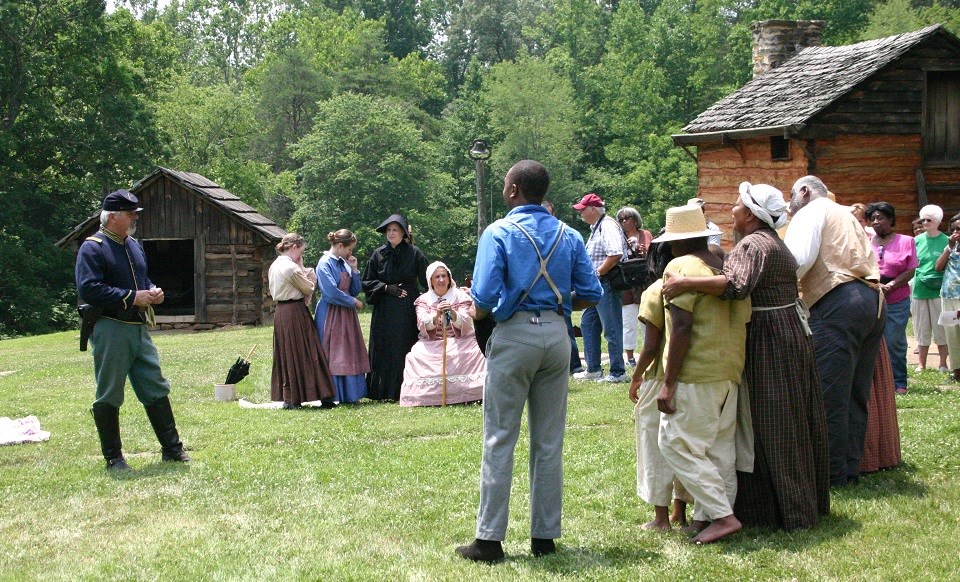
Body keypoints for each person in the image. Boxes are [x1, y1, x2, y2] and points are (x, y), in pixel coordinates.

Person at [456, 160, 602, 563]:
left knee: (501, 435)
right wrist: (557, 305)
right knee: (549, 439)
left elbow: (483, 298)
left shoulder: (498, 232)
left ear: (514, 190)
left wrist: (483, 317)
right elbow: (592, 292)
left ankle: (488, 540)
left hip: (515, 334)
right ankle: (544, 537)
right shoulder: (568, 233)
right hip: (557, 336)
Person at [662, 182, 830, 531]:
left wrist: (686, 283)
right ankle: (796, 503)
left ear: (751, 215)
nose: (732, 210)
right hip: (787, 329)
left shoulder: (754, 244)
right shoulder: (773, 242)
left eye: (738, 205)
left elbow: (735, 285)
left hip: (770, 334)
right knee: (788, 417)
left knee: (768, 420)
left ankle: (773, 509)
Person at [654, 203, 752, 544]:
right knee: (718, 449)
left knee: (675, 443)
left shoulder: (679, 266)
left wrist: (668, 383)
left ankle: (723, 517)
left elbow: (680, 327)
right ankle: (706, 517)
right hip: (729, 369)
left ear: (675, 241)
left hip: (696, 372)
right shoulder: (724, 266)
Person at [76, 189, 189, 471]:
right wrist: (130, 296)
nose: (134, 219)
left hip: (138, 327)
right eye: (130, 214)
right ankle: (114, 458)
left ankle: (172, 450)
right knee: (110, 392)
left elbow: (141, 277)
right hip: (111, 326)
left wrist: (151, 290)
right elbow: (89, 289)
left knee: (155, 386)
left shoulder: (134, 245)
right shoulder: (93, 247)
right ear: (113, 216)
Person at [785, 175, 885, 488]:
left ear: (803, 191)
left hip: (839, 302)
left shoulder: (811, 212)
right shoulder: (845, 214)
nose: (791, 204)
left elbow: (798, 261)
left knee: (829, 394)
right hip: (872, 300)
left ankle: (830, 475)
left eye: (792, 196)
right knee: (855, 394)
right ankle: (849, 469)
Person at [628, 240, 692, 531]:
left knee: (654, 445)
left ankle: (661, 517)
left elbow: (651, 345)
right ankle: (681, 511)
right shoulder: (697, 285)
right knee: (682, 444)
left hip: (658, 378)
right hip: (688, 377)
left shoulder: (655, 290)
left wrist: (636, 375)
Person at [400, 262, 486, 406]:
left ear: (449, 278)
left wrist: (452, 313)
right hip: (432, 342)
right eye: (437, 277)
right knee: (415, 356)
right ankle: (428, 397)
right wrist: (435, 315)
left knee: (476, 352)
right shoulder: (423, 300)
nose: (441, 280)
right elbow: (421, 323)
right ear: (430, 281)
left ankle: (470, 393)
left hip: (460, 339)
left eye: (444, 276)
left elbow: (466, 323)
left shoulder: (461, 297)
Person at [362, 214, 428, 401]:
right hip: (384, 307)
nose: (391, 233)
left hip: (406, 307)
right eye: (389, 230)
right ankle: (381, 391)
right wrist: (385, 287)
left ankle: (404, 387)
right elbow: (367, 280)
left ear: (403, 233)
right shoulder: (378, 254)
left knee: (404, 344)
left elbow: (427, 278)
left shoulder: (414, 253)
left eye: (395, 230)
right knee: (383, 345)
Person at [269, 233, 336, 409]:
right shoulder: (290, 268)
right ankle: (313, 396)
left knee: (288, 353)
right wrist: (307, 271)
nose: (301, 255)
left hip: (281, 312)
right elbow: (309, 287)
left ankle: (291, 397)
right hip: (294, 311)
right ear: (294, 248)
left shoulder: (275, 265)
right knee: (307, 350)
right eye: (301, 251)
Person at [572, 192, 629, 383]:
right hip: (597, 287)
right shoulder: (596, 227)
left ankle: (618, 372)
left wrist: (597, 273)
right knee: (587, 324)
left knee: (611, 329)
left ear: (593, 209)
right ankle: (594, 369)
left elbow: (615, 254)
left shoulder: (607, 225)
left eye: (582, 210)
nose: (580, 213)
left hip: (606, 284)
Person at [866, 202, 917, 393]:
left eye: (880, 218)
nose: (876, 222)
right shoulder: (867, 242)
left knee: (894, 340)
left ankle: (899, 382)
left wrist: (892, 285)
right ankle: (876, 383)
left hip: (897, 298)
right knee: (871, 340)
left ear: (891, 219)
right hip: (871, 296)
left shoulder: (906, 241)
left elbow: (911, 269)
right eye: (873, 219)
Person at [314, 229, 370, 404]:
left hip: (346, 314)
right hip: (330, 313)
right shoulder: (324, 263)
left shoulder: (343, 263)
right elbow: (330, 292)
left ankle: (351, 394)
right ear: (339, 246)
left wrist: (354, 270)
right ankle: (331, 394)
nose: (350, 253)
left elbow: (354, 289)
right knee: (332, 352)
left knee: (349, 350)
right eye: (349, 249)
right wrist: (353, 302)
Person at [543, 200, 584, 374]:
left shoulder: (564, 235)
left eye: (548, 213)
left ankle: (574, 367)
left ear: (553, 214)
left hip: (558, 294)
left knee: (567, 331)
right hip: (539, 297)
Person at [913, 204, 950, 374]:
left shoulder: (946, 240)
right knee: (921, 327)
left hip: (939, 289)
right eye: (923, 219)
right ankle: (921, 364)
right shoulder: (916, 241)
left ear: (938, 222)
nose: (925, 223)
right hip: (920, 288)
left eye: (929, 220)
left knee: (941, 327)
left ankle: (943, 363)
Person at [617, 206, 653, 367]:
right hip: (626, 283)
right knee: (628, 321)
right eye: (621, 219)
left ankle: (648, 353)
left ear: (635, 219)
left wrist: (644, 250)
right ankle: (630, 356)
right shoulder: (618, 237)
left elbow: (652, 254)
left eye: (628, 218)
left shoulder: (644, 234)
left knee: (646, 318)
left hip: (643, 282)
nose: (624, 221)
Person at [937, 214, 960, 382]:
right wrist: (949, 247)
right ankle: (957, 371)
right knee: (952, 334)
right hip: (949, 296)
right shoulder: (952, 247)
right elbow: (938, 267)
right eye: (954, 230)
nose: (956, 232)